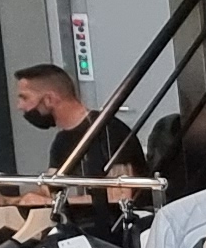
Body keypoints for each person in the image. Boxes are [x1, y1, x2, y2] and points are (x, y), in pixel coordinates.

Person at [14, 66, 150, 181]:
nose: (19, 106)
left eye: (25, 98)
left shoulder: (110, 132)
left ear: (49, 99)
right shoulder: (61, 141)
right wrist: (11, 200)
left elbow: (119, 196)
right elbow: (50, 190)